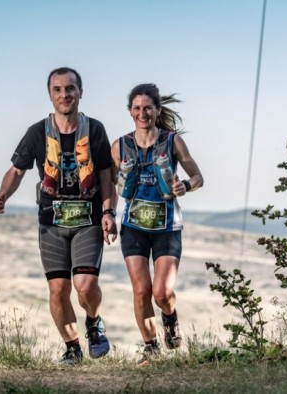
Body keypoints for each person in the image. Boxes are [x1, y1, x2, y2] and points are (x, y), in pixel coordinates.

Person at [0, 67, 117, 365]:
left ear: (80, 92)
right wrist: (2, 196)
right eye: (58, 89)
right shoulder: (37, 132)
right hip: (51, 222)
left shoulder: (94, 129)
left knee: (85, 287)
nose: (65, 94)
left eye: (70, 88)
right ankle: (72, 348)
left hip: (88, 218)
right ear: (50, 95)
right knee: (59, 290)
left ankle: (93, 321)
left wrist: (109, 210)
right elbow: (17, 170)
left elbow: (106, 175)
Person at [111, 83, 203, 364]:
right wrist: (108, 215)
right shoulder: (120, 145)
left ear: (157, 110)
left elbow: (198, 176)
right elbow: (110, 185)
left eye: (147, 108)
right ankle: (150, 347)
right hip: (134, 226)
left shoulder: (172, 141)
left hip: (167, 227)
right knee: (141, 290)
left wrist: (186, 186)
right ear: (130, 112)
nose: (142, 113)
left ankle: (170, 318)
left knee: (162, 292)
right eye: (137, 108)